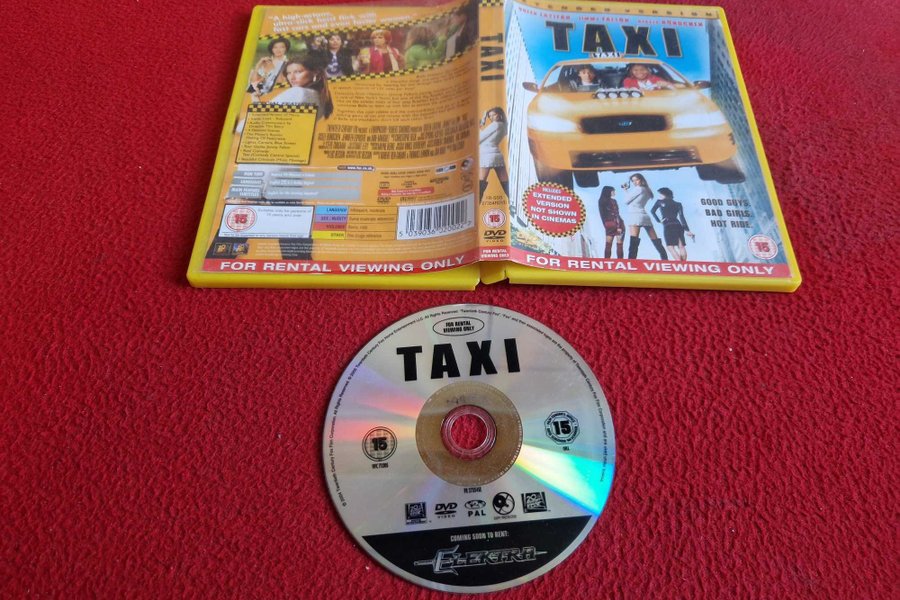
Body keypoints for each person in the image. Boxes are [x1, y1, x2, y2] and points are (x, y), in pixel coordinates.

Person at [253, 56, 334, 119]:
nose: (292, 77)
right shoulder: (321, 96)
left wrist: (254, 96)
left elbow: (260, 117)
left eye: (298, 72)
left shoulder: (297, 92)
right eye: (288, 73)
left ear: (314, 73)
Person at [622, 173, 667, 259]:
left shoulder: (638, 189)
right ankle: (665, 258)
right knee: (655, 240)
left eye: (636, 180)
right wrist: (627, 191)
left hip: (635, 215)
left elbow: (626, 201)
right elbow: (634, 201)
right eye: (633, 181)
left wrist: (625, 191)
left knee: (634, 241)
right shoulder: (646, 190)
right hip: (644, 216)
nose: (635, 182)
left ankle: (631, 261)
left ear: (641, 179)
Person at [651, 187, 695, 261]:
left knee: (670, 247)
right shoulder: (678, 204)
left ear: (664, 194)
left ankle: (679, 264)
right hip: (678, 225)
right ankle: (684, 264)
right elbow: (682, 217)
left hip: (668, 225)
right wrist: (687, 230)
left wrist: (659, 221)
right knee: (681, 246)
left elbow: (652, 211)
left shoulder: (659, 202)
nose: (660, 196)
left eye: (660, 194)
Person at [479, 107, 509, 202]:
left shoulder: (495, 125)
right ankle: (515, 202)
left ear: (499, 115)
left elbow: (479, 139)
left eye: (494, 115)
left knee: (480, 182)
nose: (491, 117)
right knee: (506, 183)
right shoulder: (504, 126)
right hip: (497, 154)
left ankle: (476, 204)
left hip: (487, 155)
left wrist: (480, 124)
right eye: (490, 116)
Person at [598, 186, 625, 259]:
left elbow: (602, 215)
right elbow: (616, 214)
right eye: (613, 191)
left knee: (608, 245)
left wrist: (606, 225)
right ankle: (620, 262)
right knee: (619, 244)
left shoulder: (601, 201)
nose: (614, 193)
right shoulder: (613, 201)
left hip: (609, 224)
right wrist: (618, 226)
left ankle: (606, 262)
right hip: (616, 224)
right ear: (608, 192)